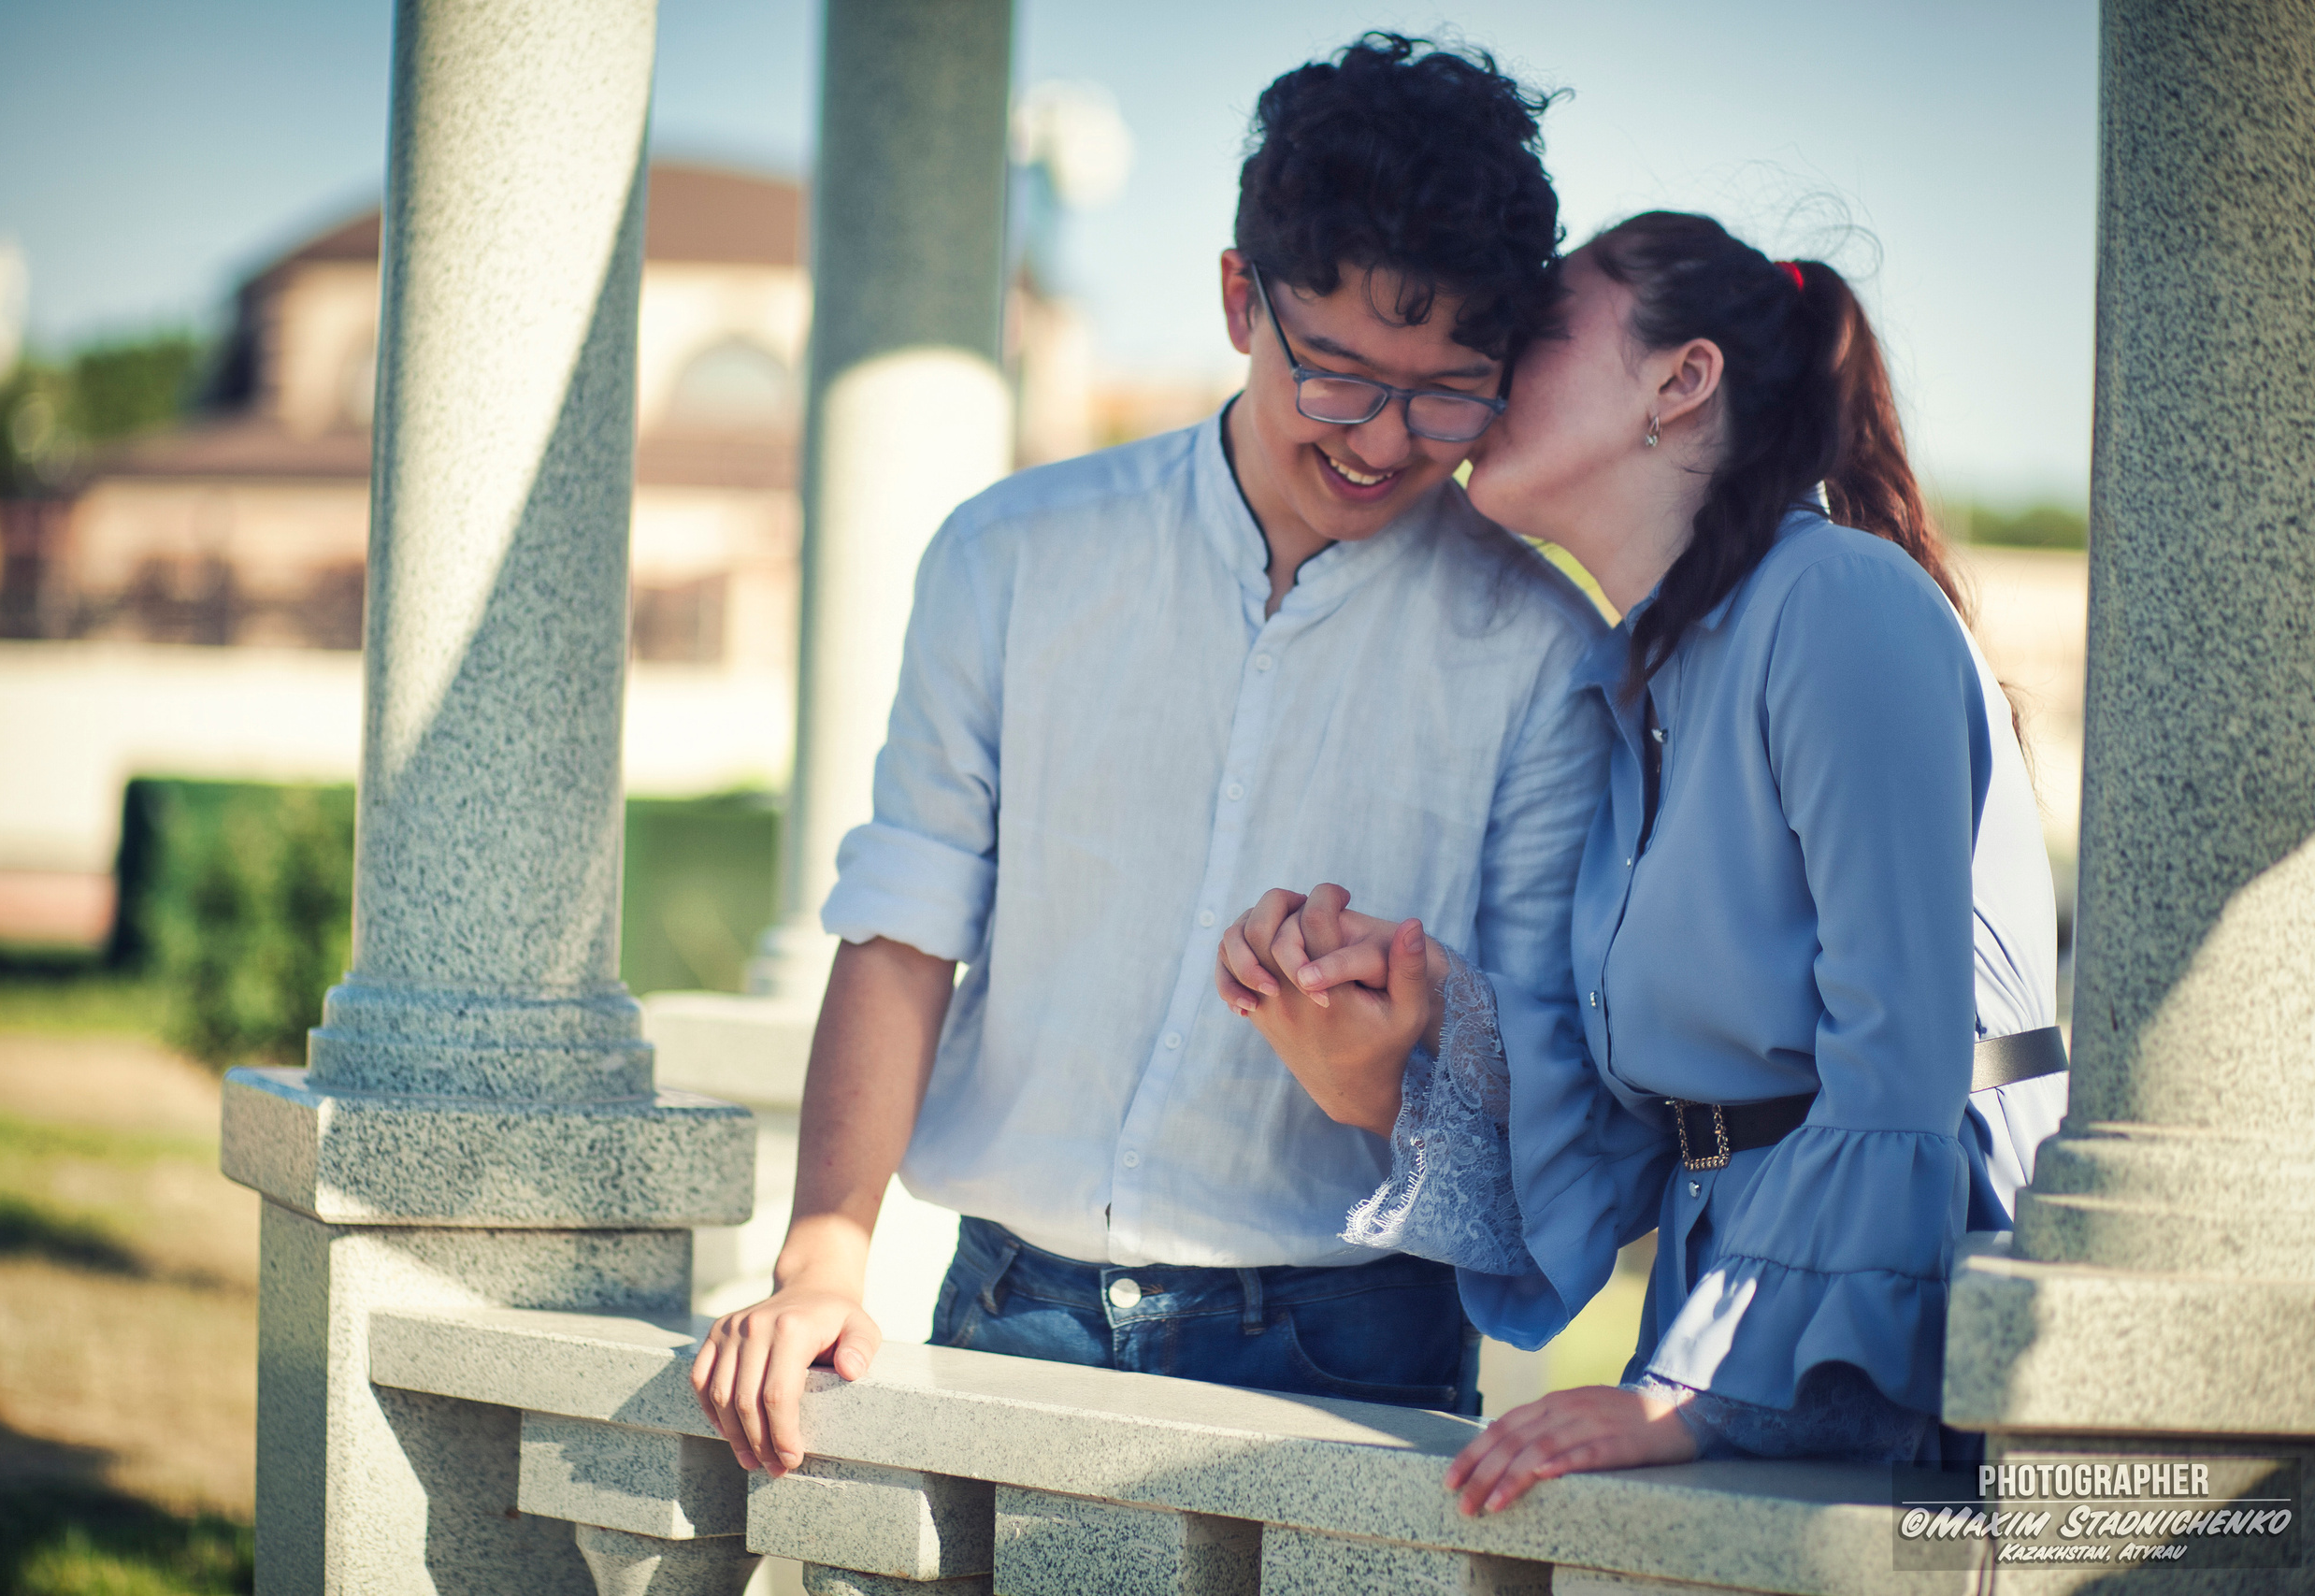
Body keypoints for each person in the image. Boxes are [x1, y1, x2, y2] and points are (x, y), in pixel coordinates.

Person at [691, 34, 1615, 1476]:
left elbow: (1555, 1070)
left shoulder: (1553, 654)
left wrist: (1389, 1064)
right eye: (1339, 376)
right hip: (1008, 1310)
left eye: (1449, 392)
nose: (1384, 441)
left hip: (1355, 1351)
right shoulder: (1012, 554)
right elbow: (903, 923)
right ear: (1242, 296)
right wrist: (822, 1260)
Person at [1215, 211, 2069, 1515]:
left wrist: (1704, 1389)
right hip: (1723, 1312)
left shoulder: (1838, 600)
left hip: (1898, 1316)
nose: (1490, 369)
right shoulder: (1645, 678)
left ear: (1682, 381)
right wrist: (1423, 1011)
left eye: (1541, 332)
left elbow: (1903, 1063)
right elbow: (1638, 1129)